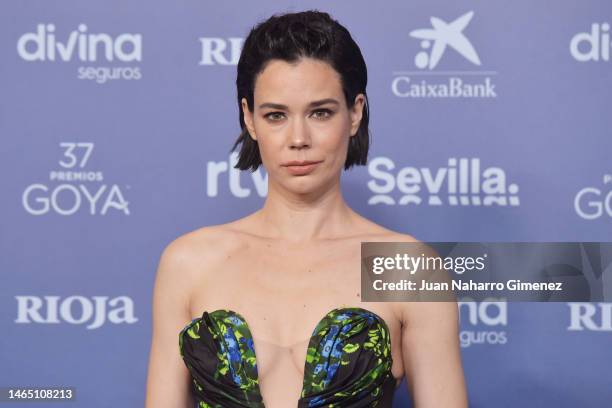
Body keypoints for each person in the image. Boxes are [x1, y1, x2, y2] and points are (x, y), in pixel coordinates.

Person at [145, 9, 467, 408]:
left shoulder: (407, 267)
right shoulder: (189, 262)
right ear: (249, 118)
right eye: (276, 115)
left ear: (355, 112)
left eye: (320, 112)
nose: (299, 138)